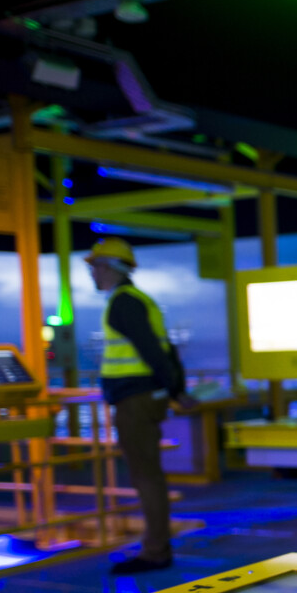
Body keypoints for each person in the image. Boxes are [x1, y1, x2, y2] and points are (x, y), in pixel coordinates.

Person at [88, 237, 196, 575]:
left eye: (96, 266)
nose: (93, 273)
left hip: (135, 399)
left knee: (145, 476)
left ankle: (155, 551)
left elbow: (151, 350)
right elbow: (166, 350)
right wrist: (176, 389)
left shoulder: (123, 303)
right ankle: (156, 546)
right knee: (149, 474)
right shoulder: (139, 300)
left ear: (109, 267)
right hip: (145, 397)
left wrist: (175, 390)